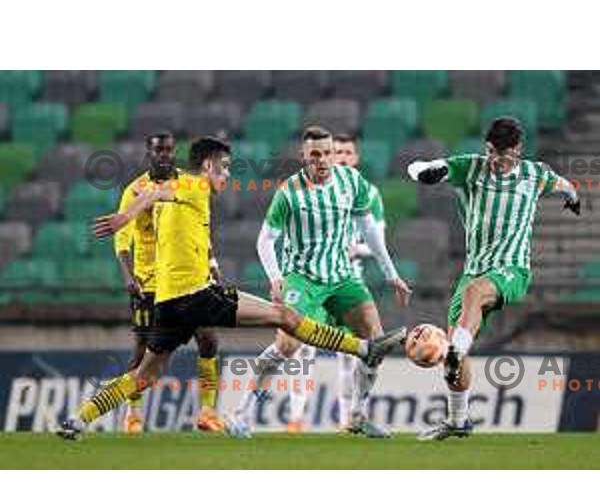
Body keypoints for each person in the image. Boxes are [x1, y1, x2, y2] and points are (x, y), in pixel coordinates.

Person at [58, 136, 406, 440]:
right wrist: (125, 217)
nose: (226, 175)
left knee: (144, 375)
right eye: (224, 168)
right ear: (208, 165)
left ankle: (78, 419)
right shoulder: (194, 186)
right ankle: (363, 348)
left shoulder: (188, 191)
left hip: (167, 302)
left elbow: (157, 194)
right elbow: (156, 191)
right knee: (285, 315)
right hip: (197, 296)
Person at [226, 126, 411, 439]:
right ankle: (241, 414)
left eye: (327, 153)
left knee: (375, 342)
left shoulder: (352, 182)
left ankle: (357, 416)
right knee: (287, 346)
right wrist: (276, 278)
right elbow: (265, 239)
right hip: (303, 278)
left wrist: (391, 274)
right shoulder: (289, 192)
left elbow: (371, 232)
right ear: (303, 157)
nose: (323, 160)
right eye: (315, 155)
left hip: (341, 277)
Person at [408, 117, 580, 440]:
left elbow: (564, 184)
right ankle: (458, 420)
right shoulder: (471, 167)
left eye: (503, 155)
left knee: (470, 307)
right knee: (454, 352)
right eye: (490, 152)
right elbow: (423, 166)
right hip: (474, 268)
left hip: (512, 269)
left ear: (518, 150)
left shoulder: (535, 173)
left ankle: (456, 350)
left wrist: (573, 198)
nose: (495, 162)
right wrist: (426, 173)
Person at [113, 133, 225, 433]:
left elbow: (199, 230)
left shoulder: (188, 184)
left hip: (187, 280)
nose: (164, 155)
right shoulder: (135, 190)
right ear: (148, 153)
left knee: (209, 338)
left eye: (168, 150)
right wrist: (129, 276)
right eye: (158, 150)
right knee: (142, 353)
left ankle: (207, 411)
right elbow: (122, 240)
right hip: (149, 282)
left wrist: (212, 266)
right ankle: (133, 414)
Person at [284, 133, 391, 432]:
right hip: (313, 279)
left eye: (347, 152)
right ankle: (295, 418)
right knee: (303, 349)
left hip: (346, 281)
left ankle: (348, 419)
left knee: (349, 355)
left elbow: (378, 238)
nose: (342, 157)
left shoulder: (367, 192)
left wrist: (357, 248)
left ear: (355, 158)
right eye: (338, 151)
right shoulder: (310, 190)